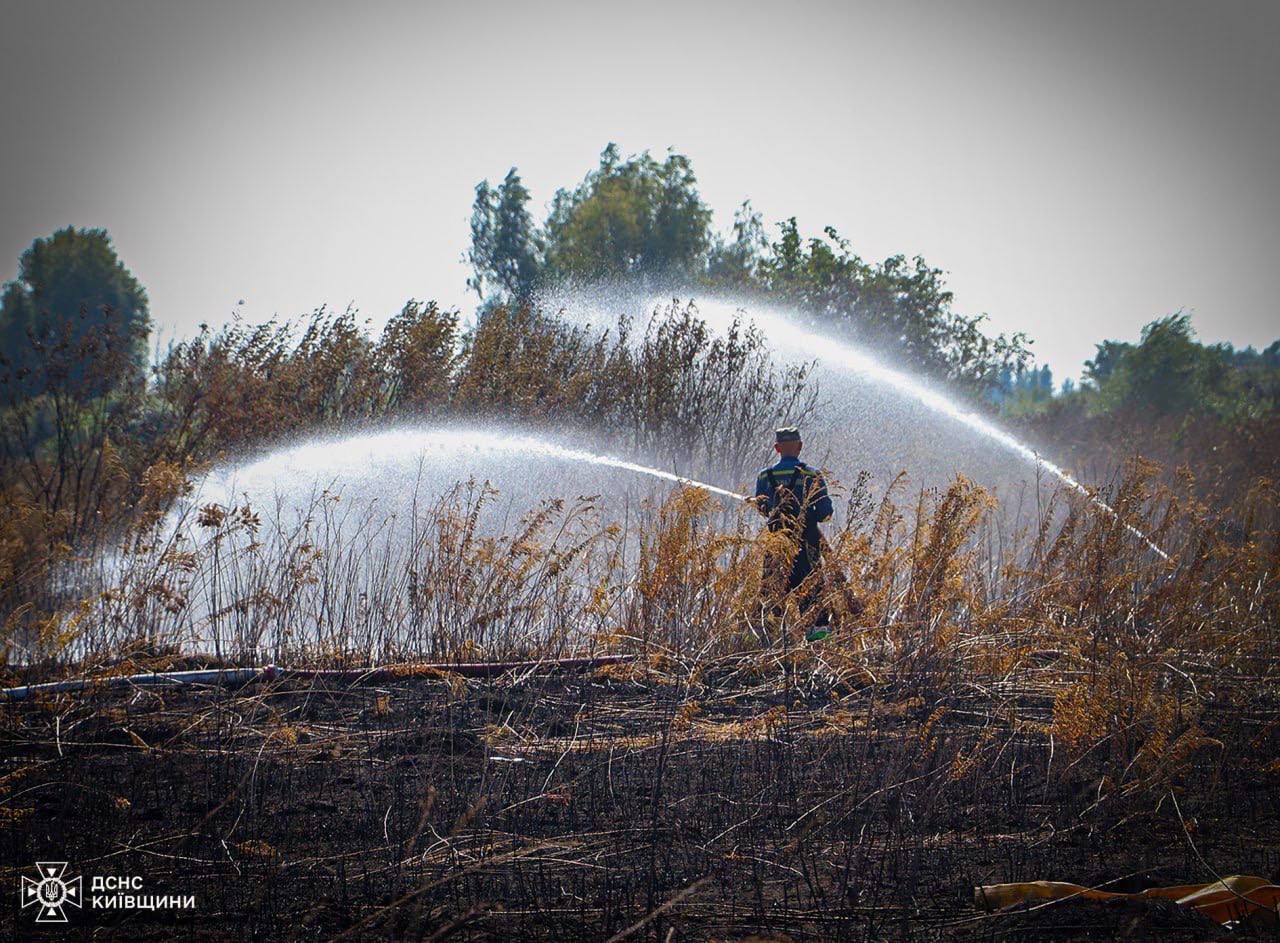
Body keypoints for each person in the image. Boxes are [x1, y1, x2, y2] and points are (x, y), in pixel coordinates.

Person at [753, 426, 834, 638]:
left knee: (770, 599)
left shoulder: (764, 476)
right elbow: (826, 514)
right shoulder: (812, 475)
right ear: (800, 446)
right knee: (813, 599)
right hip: (807, 547)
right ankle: (817, 650)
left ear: (777, 448)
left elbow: (762, 509)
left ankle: (766, 646)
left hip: (776, 545)